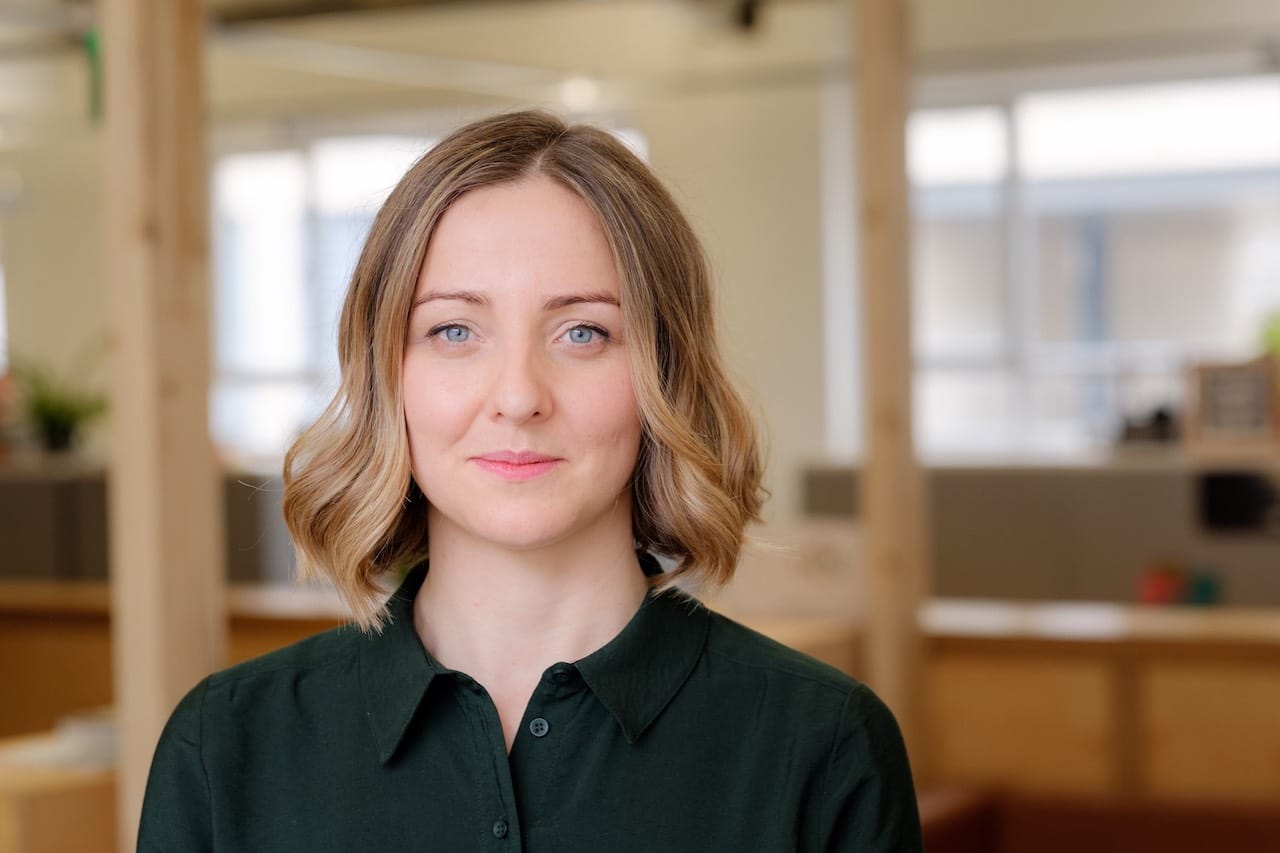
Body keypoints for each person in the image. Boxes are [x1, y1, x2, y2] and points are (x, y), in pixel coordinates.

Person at [138, 110, 923, 852]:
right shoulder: (226, 745)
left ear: (664, 373)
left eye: (583, 332)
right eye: (454, 330)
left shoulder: (822, 743)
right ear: (388, 374)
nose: (518, 396)